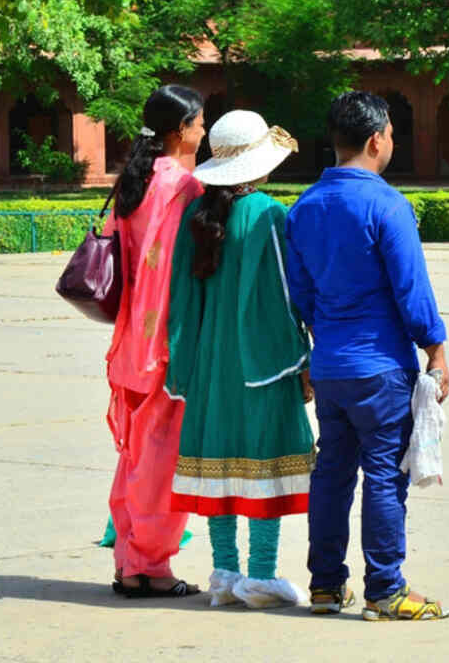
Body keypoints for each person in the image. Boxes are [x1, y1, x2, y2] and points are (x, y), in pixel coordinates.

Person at [285, 91, 449, 621]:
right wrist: (436, 349)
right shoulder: (386, 204)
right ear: (377, 138)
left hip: (331, 365)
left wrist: (319, 345)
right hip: (380, 366)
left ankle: (326, 586)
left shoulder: (304, 207)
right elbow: (412, 290)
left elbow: (302, 293)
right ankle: (385, 588)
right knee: (383, 475)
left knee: (332, 473)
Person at [165, 110, 315, 609]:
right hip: (259, 362)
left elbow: (181, 302)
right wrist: (301, 356)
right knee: (261, 461)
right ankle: (262, 574)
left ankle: (224, 573)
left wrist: (182, 366)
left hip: (210, 363)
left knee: (220, 463)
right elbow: (281, 293)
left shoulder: (199, 217)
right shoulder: (268, 214)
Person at [104, 85, 205, 598]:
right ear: (179, 130)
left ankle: (130, 562)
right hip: (167, 342)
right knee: (163, 462)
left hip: (129, 342)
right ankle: (151, 567)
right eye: (199, 123)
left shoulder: (134, 181)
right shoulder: (185, 186)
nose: (204, 131)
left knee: (135, 456)